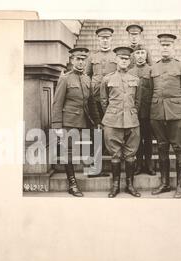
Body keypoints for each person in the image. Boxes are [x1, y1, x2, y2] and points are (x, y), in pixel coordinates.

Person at [51, 48, 100, 197]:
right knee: (68, 152)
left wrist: (97, 121)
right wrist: (57, 125)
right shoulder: (65, 78)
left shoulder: (86, 79)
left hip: (84, 120)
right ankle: (72, 183)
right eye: (78, 59)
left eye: (83, 59)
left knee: (93, 142)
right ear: (72, 60)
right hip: (69, 121)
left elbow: (91, 103)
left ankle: (92, 169)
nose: (80, 62)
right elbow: (57, 103)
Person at [149, 33, 181, 198]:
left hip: (177, 115)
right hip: (157, 114)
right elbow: (152, 89)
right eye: (162, 45)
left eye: (168, 45)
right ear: (159, 47)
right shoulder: (154, 67)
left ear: (173, 47)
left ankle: (180, 186)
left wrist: (179, 110)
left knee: (180, 150)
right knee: (161, 148)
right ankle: (165, 183)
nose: (165, 48)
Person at [100, 46, 142, 198]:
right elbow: (103, 101)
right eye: (121, 58)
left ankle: (130, 185)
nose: (124, 61)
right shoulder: (107, 79)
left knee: (131, 155)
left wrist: (130, 113)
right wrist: (112, 114)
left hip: (131, 121)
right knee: (115, 155)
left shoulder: (136, 80)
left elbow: (138, 101)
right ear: (116, 60)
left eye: (126, 59)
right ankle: (115, 186)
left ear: (130, 61)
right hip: (112, 121)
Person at [84, 27, 118, 178]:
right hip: (96, 100)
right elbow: (86, 76)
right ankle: (94, 167)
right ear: (98, 39)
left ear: (111, 39)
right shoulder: (92, 57)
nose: (105, 40)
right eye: (102, 38)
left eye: (107, 38)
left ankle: (115, 165)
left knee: (112, 132)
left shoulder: (116, 56)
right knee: (96, 133)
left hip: (112, 100)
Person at [128, 44, 156, 176]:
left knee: (148, 138)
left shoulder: (152, 70)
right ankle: (138, 164)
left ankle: (149, 164)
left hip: (148, 110)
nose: (140, 55)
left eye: (142, 53)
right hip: (134, 111)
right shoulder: (130, 71)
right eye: (137, 53)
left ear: (146, 55)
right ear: (133, 55)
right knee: (136, 138)